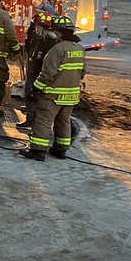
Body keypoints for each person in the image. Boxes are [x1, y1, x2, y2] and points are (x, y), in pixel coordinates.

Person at [20, 15, 86, 161]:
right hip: (71, 96)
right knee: (64, 122)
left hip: (52, 95)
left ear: (60, 33)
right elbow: (82, 73)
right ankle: (60, 150)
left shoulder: (57, 50)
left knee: (43, 121)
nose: (54, 34)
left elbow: (47, 74)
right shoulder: (79, 49)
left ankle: (37, 151)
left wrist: (35, 90)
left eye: (56, 31)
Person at [17, 4, 59, 131]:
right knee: (30, 92)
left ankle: (33, 120)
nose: (35, 28)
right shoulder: (41, 38)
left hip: (39, 74)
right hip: (35, 68)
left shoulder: (49, 42)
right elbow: (30, 43)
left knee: (35, 95)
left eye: (37, 25)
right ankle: (31, 118)